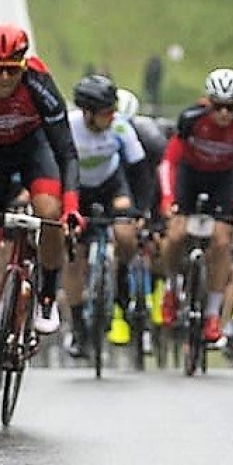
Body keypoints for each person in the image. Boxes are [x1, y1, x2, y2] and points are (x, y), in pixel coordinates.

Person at [0, 23, 83, 399]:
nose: (5, 78)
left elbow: (67, 153)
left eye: (12, 70)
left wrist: (71, 207)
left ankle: (47, 297)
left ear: (23, 65)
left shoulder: (39, 82)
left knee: (49, 211)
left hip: (33, 150)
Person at [158, 68, 233, 347]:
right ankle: (171, 288)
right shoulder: (191, 119)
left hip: (223, 180)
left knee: (222, 241)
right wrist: (167, 198)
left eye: (231, 107)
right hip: (190, 176)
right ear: (207, 102)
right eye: (217, 106)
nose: (224, 114)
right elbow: (170, 161)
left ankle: (213, 315)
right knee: (176, 234)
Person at [61, 73, 152, 359]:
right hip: (77, 189)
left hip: (111, 185)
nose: (112, 116)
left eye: (113, 110)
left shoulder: (120, 127)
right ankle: (78, 327)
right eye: (106, 112)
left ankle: (122, 288)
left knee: (125, 234)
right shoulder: (68, 127)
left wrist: (140, 210)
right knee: (73, 255)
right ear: (87, 113)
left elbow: (140, 171)